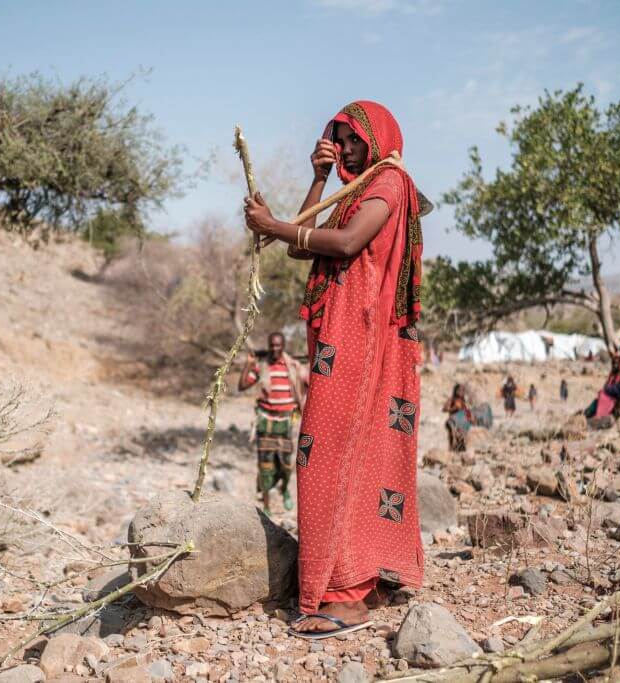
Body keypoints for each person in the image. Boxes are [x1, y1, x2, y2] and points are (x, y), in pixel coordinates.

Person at [243, 100, 430, 639]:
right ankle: (357, 574)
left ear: (378, 138)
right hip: (340, 336)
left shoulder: (390, 181)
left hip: (359, 334)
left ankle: (343, 596)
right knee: (342, 451)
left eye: (352, 140)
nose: (345, 148)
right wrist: (318, 179)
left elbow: (345, 243)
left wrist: (274, 225)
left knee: (324, 455)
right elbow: (306, 246)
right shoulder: (359, 187)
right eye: (338, 138)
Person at [238, 332, 307, 515]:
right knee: (265, 464)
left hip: (285, 421)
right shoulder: (262, 366)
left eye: (278, 346)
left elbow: (308, 384)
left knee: (285, 463)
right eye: (272, 346)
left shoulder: (292, 366)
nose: (275, 349)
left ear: (283, 346)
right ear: (269, 346)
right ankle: (266, 504)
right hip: (265, 421)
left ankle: (284, 490)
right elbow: (242, 385)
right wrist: (249, 364)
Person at [443, 384, 472, 452]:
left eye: (462, 391)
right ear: (455, 391)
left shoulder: (462, 401)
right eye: (459, 390)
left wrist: (470, 417)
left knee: (462, 438)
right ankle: (451, 451)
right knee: (452, 437)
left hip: (461, 423)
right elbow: (444, 409)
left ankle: (460, 452)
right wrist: (454, 409)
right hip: (452, 421)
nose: (461, 392)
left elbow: (466, 411)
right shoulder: (452, 399)